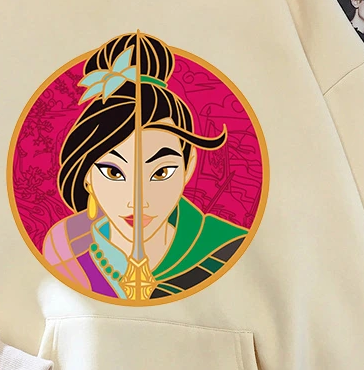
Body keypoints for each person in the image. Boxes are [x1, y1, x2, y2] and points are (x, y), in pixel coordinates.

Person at [41, 32, 249, 301]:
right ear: (87, 175)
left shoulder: (225, 250)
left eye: (161, 172)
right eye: (114, 172)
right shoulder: (65, 252)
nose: (137, 200)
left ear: (188, 167)